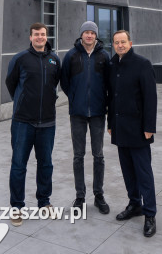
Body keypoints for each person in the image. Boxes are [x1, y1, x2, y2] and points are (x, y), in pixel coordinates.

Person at [6, 22, 61, 225]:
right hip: (23, 122)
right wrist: (23, 102)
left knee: (46, 164)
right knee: (19, 165)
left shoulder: (54, 60)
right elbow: (11, 83)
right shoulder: (20, 59)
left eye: (43, 34)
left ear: (47, 37)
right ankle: (17, 207)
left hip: (47, 122)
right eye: (36, 34)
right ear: (30, 37)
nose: (40, 37)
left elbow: (54, 85)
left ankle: (44, 202)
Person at [108, 30, 157, 238]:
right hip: (120, 128)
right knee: (127, 171)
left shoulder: (142, 64)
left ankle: (150, 214)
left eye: (123, 42)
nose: (120, 45)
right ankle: (134, 204)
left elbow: (150, 98)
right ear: (113, 45)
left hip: (138, 129)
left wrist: (149, 127)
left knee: (143, 173)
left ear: (130, 43)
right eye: (116, 42)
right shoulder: (112, 65)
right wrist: (110, 123)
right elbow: (112, 97)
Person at [60, 20, 110, 214]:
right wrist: (73, 97)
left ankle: (99, 195)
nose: (89, 35)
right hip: (78, 114)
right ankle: (80, 197)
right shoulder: (72, 55)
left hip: (98, 113)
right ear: (81, 35)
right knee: (78, 156)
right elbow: (64, 80)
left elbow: (109, 82)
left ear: (96, 35)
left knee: (98, 155)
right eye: (86, 32)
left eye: (92, 33)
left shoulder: (104, 56)